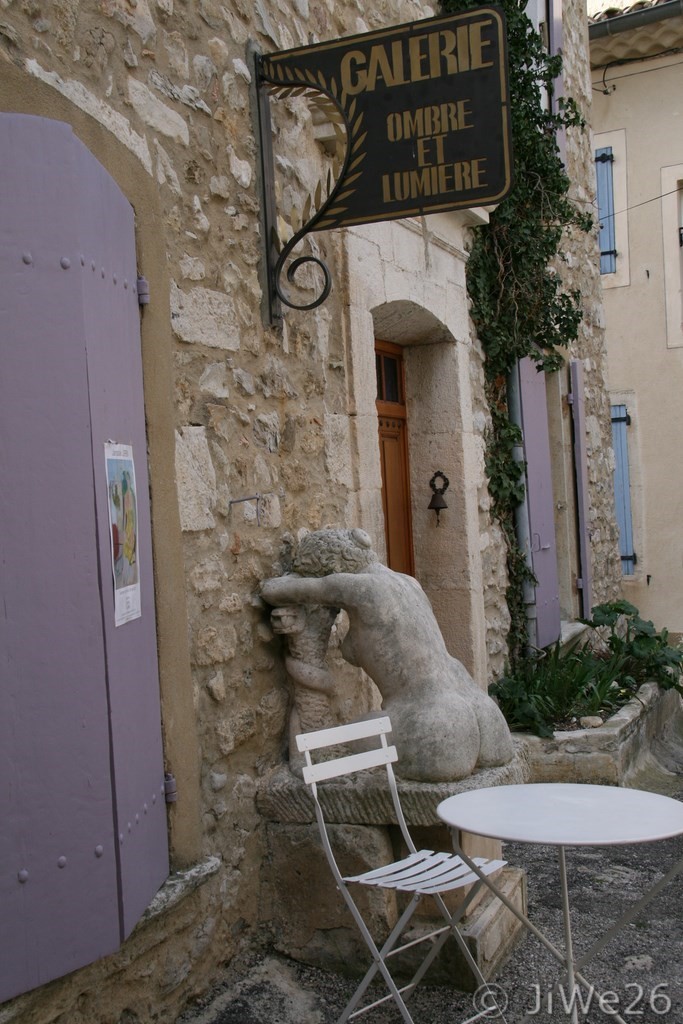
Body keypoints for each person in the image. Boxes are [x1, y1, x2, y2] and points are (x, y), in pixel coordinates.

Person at [261, 528, 513, 782]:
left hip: (430, 722)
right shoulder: (409, 583)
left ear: (334, 569)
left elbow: (272, 590)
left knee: (325, 749)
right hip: (482, 712)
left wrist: (298, 577)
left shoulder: (357, 588)